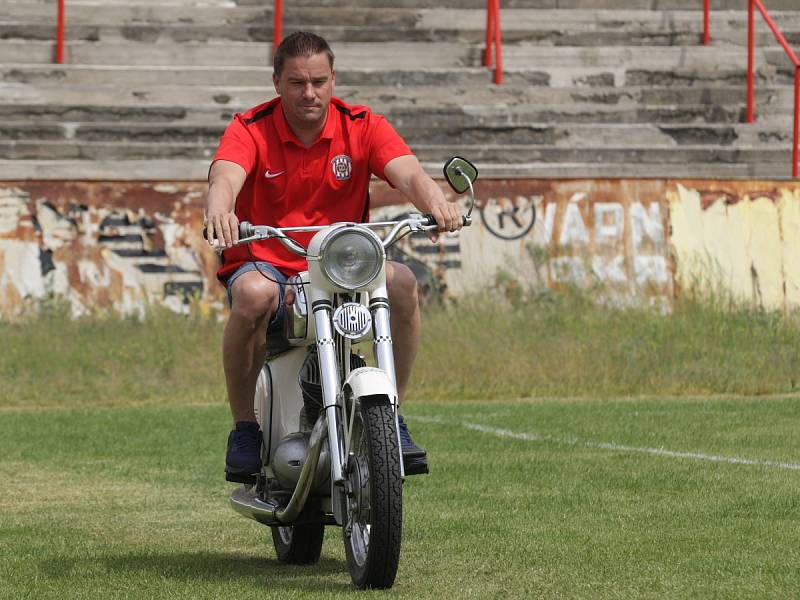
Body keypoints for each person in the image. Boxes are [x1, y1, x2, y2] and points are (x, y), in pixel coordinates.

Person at [204, 31, 463, 483]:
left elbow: (409, 172)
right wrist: (219, 210)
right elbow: (225, 177)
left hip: (340, 266)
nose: (309, 93)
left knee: (401, 283)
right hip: (269, 261)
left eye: (319, 82)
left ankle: (392, 414)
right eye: (297, 82)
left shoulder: (362, 125)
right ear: (277, 82)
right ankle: (245, 427)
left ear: (333, 79)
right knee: (250, 294)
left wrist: (435, 203)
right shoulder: (250, 127)